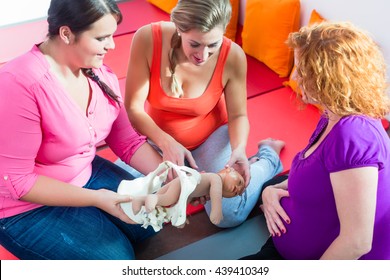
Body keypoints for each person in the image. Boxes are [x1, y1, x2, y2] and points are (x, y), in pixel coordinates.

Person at [0, 0, 164, 260]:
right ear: (66, 34)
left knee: (152, 220)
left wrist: (174, 177)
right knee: (116, 261)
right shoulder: (19, 84)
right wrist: (97, 199)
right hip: (24, 207)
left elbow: (128, 142)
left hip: (82, 173)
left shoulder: (97, 72)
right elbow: (18, 182)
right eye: (101, 38)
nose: (112, 45)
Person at [122, 0, 279, 228]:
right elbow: (134, 109)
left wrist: (239, 150)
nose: (203, 55)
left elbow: (238, 116)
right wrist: (167, 144)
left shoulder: (233, 56)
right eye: (194, 44)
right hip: (158, 141)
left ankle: (267, 159)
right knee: (125, 196)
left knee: (228, 215)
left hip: (210, 139)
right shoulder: (147, 39)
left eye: (212, 45)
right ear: (179, 27)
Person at [241, 21, 390, 260]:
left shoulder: (354, 133)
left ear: (328, 78)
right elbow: (318, 180)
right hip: (286, 244)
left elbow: (357, 242)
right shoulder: (331, 115)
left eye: (302, 69)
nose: (296, 76)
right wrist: (271, 191)